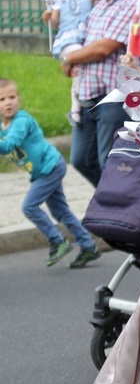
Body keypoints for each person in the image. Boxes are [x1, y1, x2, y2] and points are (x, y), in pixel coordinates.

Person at [0, 78, 100, 268]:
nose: (8, 102)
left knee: (29, 206)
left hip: (51, 167)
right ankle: (88, 246)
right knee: (60, 211)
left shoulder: (20, 121)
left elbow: (8, 146)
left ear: (18, 99)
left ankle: (57, 240)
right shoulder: (2, 125)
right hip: (43, 172)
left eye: (11, 97)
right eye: (2, 99)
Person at [61, 0, 139, 187]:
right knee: (81, 159)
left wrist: (71, 58)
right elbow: (84, 38)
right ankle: (110, 203)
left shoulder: (133, 3)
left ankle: (116, 212)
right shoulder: (101, 1)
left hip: (112, 97)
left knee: (110, 162)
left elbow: (104, 48)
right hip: (86, 93)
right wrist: (70, 55)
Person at [42, 0, 105, 126]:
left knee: (79, 74)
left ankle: (76, 109)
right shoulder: (59, 2)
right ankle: (78, 106)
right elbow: (55, 23)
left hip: (83, 39)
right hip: (68, 41)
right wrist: (49, 15)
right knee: (80, 66)